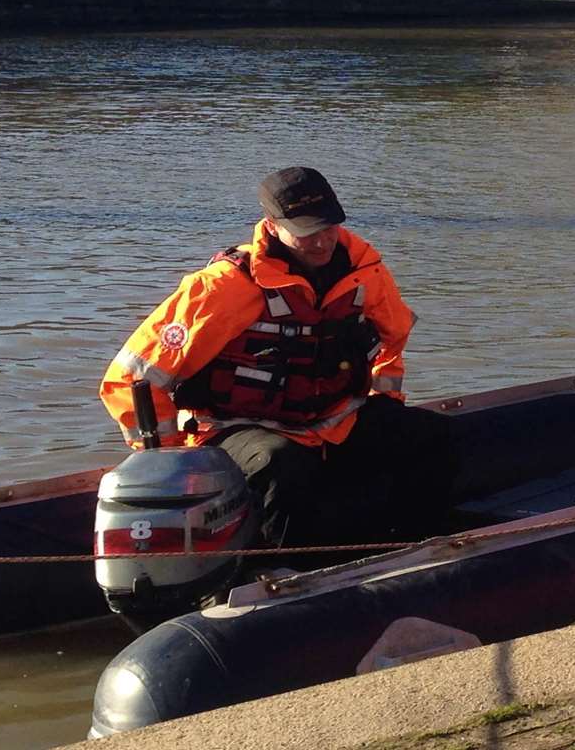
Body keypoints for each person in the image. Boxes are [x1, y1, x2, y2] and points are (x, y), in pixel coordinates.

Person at [99, 166, 461, 549]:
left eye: (328, 226)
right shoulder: (223, 287)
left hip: (331, 422)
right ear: (272, 226)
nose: (321, 242)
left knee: (436, 437)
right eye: (306, 231)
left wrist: (386, 403)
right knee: (281, 463)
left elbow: (393, 338)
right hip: (233, 426)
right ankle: (282, 572)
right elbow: (129, 378)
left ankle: (410, 549)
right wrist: (171, 464)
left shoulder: (365, 272)